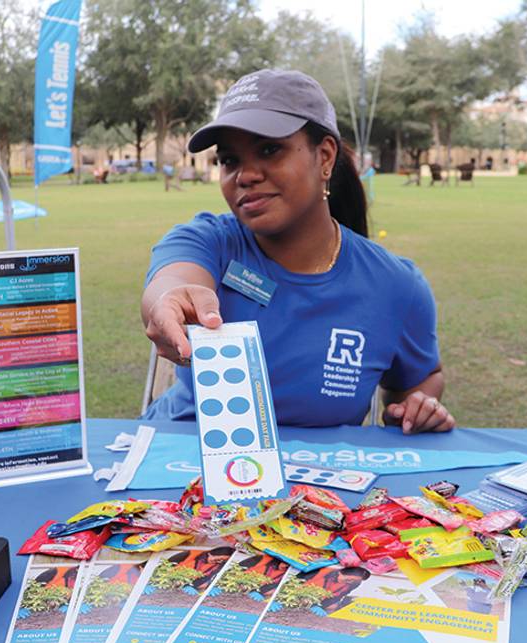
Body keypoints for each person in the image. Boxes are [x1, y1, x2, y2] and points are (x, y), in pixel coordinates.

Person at [141, 69, 454, 434]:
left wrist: (419, 405)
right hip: (179, 464)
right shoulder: (208, 240)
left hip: (316, 484)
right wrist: (170, 300)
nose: (245, 175)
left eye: (269, 150)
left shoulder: (396, 286)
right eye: (229, 160)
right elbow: (173, 279)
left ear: (324, 157)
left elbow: (420, 378)